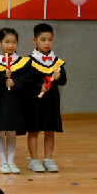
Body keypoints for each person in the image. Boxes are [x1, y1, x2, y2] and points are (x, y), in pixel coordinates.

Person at [0, 28, 28, 174]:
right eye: (7, 42)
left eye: (14, 42)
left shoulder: (22, 62)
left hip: (16, 102)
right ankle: (2, 162)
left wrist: (15, 82)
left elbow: (28, 80)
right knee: (0, 131)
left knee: (12, 131)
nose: (10, 45)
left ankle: (11, 161)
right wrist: (2, 75)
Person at [24, 23, 66, 173]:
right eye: (43, 40)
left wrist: (59, 76)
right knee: (34, 131)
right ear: (35, 40)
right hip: (35, 101)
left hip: (51, 101)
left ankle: (48, 158)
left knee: (50, 130)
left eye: (50, 39)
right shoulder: (29, 61)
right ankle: (34, 160)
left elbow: (63, 81)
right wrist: (38, 87)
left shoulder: (57, 61)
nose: (47, 43)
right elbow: (25, 82)